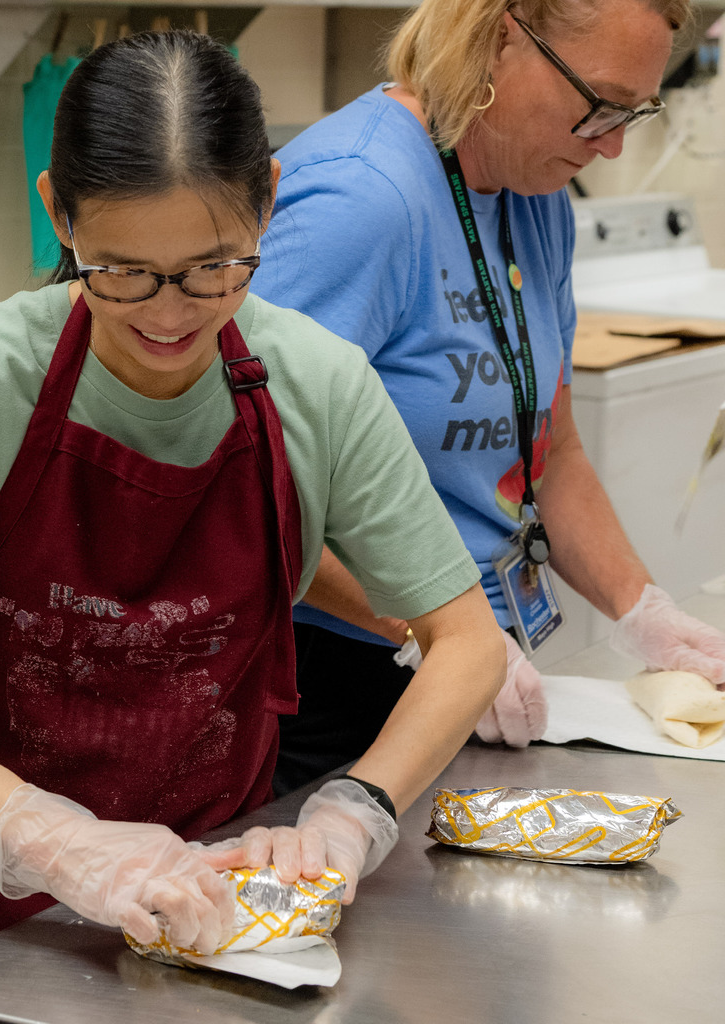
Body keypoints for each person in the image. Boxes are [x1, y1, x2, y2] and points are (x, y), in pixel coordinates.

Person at [0, 30, 506, 1018]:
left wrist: (355, 811)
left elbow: (465, 644)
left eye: (212, 269)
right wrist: (51, 837)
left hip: (215, 921)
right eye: (120, 270)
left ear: (267, 200)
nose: (169, 316)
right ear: (57, 215)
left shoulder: (318, 386)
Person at [252, 0, 725, 795]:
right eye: (598, 105)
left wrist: (643, 610)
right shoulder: (359, 200)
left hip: (467, 664)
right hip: (336, 677)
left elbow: (554, 450)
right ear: (502, 38)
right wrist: (438, 632)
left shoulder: (534, 195)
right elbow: (254, 484)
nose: (611, 145)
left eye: (632, 114)